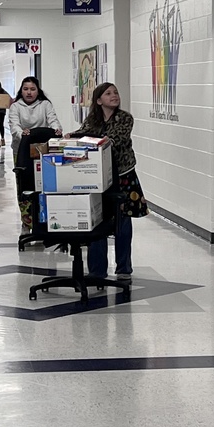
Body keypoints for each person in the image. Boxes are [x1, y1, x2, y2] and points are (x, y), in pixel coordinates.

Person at [68, 82, 148, 283]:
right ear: (98, 100)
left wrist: (90, 140)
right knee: (97, 220)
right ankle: (97, 270)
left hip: (123, 176)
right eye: (108, 93)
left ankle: (123, 269)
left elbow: (114, 139)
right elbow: (83, 133)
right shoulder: (93, 120)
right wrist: (72, 136)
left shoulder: (125, 118)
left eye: (116, 92)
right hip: (97, 178)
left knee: (122, 221)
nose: (114, 95)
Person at [8, 76, 62, 234]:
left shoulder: (45, 104)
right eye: (25, 89)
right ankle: (27, 222)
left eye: (32, 89)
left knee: (44, 185)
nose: (29, 92)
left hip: (43, 151)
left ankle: (46, 221)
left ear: (38, 91)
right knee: (24, 186)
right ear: (21, 91)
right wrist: (22, 134)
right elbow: (14, 126)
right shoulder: (16, 106)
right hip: (21, 151)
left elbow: (53, 120)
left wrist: (57, 129)